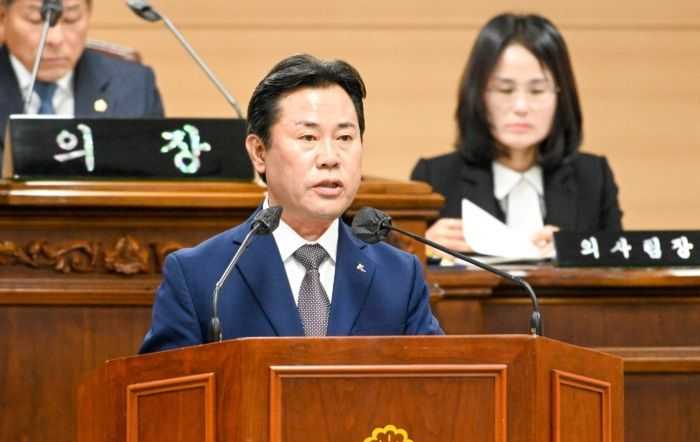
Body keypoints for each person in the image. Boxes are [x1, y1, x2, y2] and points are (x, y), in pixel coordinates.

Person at [139, 54, 442, 353]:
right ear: (259, 152)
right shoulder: (203, 276)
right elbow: (166, 385)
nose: (330, 157)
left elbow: (437, 378)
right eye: (308, 137)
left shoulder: (398, 276)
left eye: (345, 137)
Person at [411, 13, 623, 258]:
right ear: (477, 95)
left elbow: (620, 263)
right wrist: (421, 249)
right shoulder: (434, 179)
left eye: (537, 90)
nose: (521, 106)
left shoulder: (593, 177)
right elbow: (399, 271)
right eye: (505, 89)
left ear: (561, 96)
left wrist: (573, 249)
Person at [0, 0, 164, 163]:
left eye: (71, 19)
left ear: (88, 15)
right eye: (36, 19)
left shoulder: (134, 86)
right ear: (3, 17)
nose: (54, 38)